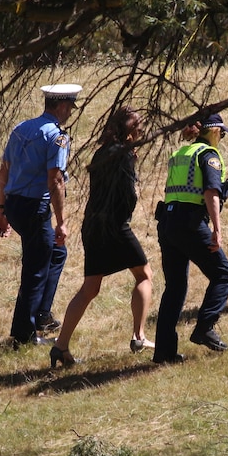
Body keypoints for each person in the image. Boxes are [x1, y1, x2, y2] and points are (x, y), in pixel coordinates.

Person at [49, 106, 156, 368]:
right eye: (137, 127)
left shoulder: (101, 153)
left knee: (90, 288)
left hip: (92, 225)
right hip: (115, 226)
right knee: (144, 276)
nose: (141, 131)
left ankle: (60, 346)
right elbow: (128, 194)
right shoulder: (123, 155)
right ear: (127, 130)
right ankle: (139, 337)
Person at [0, 83, 80, 347]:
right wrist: (63, 222)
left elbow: (4, 170)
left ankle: (42, 314)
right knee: (35, 269)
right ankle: (24, 334)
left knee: (55, 254)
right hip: (35, 209)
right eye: (70, 108)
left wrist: (2, 209)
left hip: (14, 205)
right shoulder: (57, 137)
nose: (70, 113)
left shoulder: (21, 129)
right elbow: (55, 180)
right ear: (62, 106)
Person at [152, 113, 228, 364]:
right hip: (190, 222)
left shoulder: (180, 154)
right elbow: (211, 192)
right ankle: (204, 327)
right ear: (214, 131)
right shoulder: (208, 155)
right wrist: (217, 229)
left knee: (175, 287)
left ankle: (164, 351)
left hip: (167, 222)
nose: (221, 138)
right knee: (223, 274)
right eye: (221, 132)